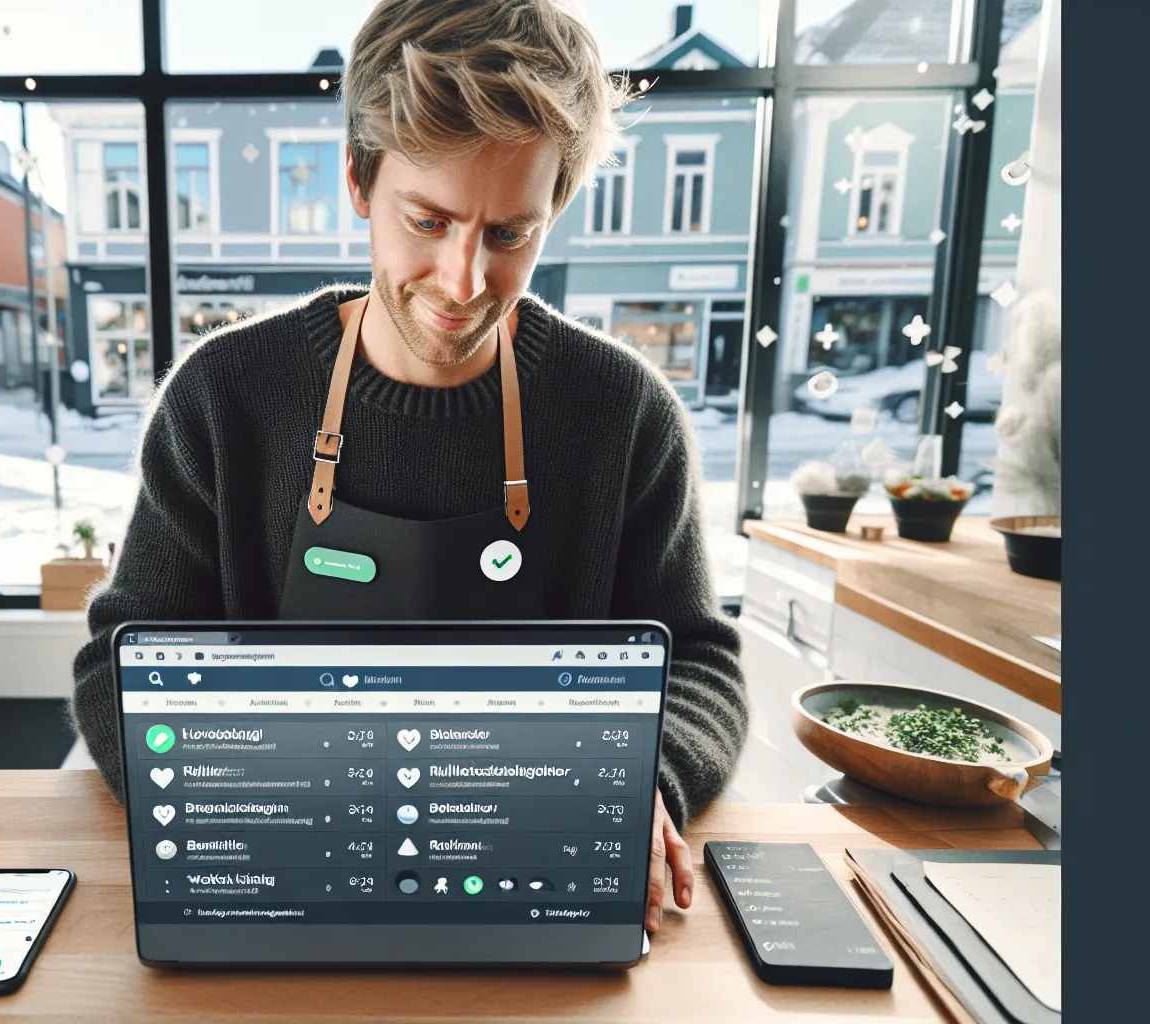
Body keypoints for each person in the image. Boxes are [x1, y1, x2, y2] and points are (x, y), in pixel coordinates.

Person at [72, 0, 746, 933]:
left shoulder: (625, 415)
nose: (464, 283)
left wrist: (635, 791)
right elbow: (119, 663)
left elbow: (702, 662)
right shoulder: (223, 398)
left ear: (554, 207)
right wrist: (253, 799)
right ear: (357, 178)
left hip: (532, 877)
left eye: (510, 235)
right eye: (427, 220)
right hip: (283, 877)